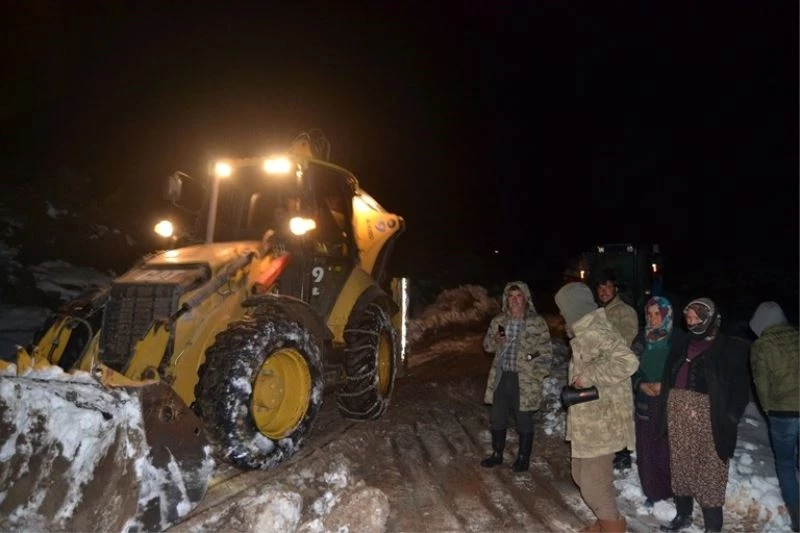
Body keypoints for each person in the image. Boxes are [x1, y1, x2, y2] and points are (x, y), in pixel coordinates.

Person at [659, 298, 751, 533]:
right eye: (687, 317)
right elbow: (668, 374)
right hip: (678, 414)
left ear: (709, 319)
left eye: (695, 318)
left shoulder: (729, 348)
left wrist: (730, 417)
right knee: (681, 466)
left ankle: (712, 527)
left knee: (711, 470)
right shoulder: (682, 342)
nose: (690, 322)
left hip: (710, 418)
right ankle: (683, 515)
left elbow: (740, 389)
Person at [555, 281, 638, 533]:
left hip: (602, 423)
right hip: (588, 421)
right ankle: (604, 523)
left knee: (593, 485)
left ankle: (613, 527)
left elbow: (628, 361)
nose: (560, 314)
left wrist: (589, 374)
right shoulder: (584, 329)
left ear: (573, 307)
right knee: (580, 476)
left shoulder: (596, 329)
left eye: (562, 308)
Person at [481, 281, 553, 473]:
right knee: (497, 417)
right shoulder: (498, 321)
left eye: (518, 296)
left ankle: (523, 458)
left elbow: (546, 352)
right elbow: (486, 346)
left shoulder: (537, 323)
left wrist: (535, 373)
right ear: (506, 299)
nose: (514, 300)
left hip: (524, 380)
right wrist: (495, 341)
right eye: (510, 296)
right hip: (502, 377)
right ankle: (497, 454)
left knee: (524, 419)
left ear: (526, 298)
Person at [749, 301, 799, 532]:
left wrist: (768, 409)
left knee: (786, 463)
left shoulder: (762, 345)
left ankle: (797, 513)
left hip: (783, 413)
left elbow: (762, 382)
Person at [631, 297, 678, 506]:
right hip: (645, 400)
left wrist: (665, 385)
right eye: (649, 314)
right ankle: (652, 491)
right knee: (647, 447)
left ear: (666, 314)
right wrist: (641, 384)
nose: (652, 318)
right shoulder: (641, 340)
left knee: (668, 447)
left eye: (657, 314)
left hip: (669, 401)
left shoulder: (676, 340)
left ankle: (673, 490)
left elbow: (683, 370)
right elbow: (630, 368)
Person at [595, 271, 639, 471]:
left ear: (616, 289)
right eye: (600, 288)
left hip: (616, 371)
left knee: (619, 412)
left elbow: (626, 341)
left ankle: (623, 455)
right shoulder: (597, 312)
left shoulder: (625, 311)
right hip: (599, 370)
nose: (603, 292)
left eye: (607, 287)